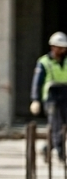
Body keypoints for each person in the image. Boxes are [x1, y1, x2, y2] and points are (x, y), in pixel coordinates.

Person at [30, 32, 67, 164]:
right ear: (53, 47)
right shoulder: (44, 62)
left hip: (65, 95)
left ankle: (47, 148)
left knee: (63, 126)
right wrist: (35, 99)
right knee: (56, 125)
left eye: (64, 47)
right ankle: (61, 153)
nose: (62, 50)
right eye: (60, 47)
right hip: (51, 97)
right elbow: (37, 82)